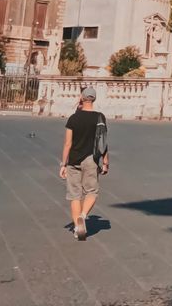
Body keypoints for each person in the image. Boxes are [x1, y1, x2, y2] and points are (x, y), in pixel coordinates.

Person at [59, 87, 108, 241]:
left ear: (82, 97)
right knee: (92, 191)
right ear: (94, 99)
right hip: (91, 159)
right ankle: (83, 215)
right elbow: (103, 142)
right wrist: (105, 161)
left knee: (75, 195)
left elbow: (67, 143)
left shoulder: (74, 118)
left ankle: (76, 227)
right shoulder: (100, 117)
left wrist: (63, 164)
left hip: (74, 159)